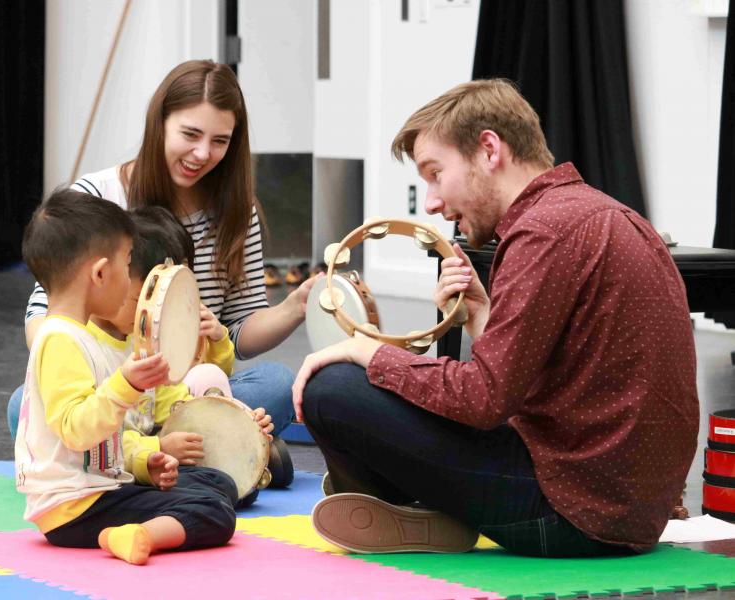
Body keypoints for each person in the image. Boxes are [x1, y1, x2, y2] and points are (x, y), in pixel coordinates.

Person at [292, 79, 698, 557]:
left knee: (333, 387)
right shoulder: (602, 213)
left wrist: (370, 352)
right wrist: (480, 313)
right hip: (627, 511)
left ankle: (402, 504)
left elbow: (485, 400)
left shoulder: (542, 230)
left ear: (489, 149)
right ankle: (416, 508)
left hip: (572, 514)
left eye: (435, 173)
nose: (431, 202)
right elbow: (529, 390)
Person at [20, 60, 318, 466]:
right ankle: (220, 444)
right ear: (159, 123)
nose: (202, 153)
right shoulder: (97, 197)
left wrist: (294, 307)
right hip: (114, 385)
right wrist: (84, 369)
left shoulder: (237, 211)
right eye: (190, 134)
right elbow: (46, 312)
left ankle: (161, 447)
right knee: (25, 403)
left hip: (191, 384)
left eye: (219, 141)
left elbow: (240, 328)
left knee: (276, 383)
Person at [15, 189, 238, 565]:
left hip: (100, 487)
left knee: (219, 485)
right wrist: (127, 385)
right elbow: (77, 430)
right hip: (75, 507)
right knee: (215, 511)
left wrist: (144, 462)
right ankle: (139, 535)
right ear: (101, 273)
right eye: (128, 262)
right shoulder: (59, 340)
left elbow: (107, 441)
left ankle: (141, 523)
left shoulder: (81, 336)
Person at [85, 205, 274, 507]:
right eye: (136, 300)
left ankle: (256, 456)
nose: (150, 315)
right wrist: (158, 447)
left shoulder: (144, 338)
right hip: (112, 465)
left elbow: (177, 399)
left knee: (258, 382)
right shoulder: (84, 347)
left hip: (149, 443)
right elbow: (95, 442)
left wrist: (235, 423)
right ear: (104, 278)